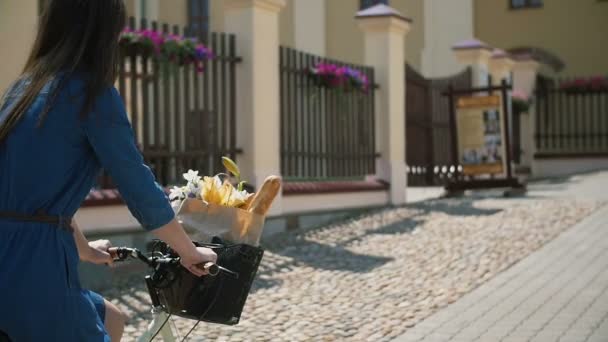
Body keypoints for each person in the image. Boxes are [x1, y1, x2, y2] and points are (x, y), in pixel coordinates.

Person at [0, 1, 217, 341]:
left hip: (13, 253)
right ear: (102, 32)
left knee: (112, 319)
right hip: (34, 268)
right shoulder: (90, 93)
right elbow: (137, 184)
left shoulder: (24, 89)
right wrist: (189, 252)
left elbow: (35, 199)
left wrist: (86, 251)